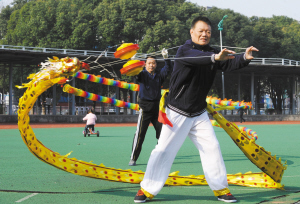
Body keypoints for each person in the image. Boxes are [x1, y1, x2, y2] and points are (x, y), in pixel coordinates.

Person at [133, 16, 259, 203]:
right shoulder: (184, 51)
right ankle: (146, 189)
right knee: (163, 150)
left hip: (199, 113)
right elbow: (198, 59)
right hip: (177, 111)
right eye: (201, 31)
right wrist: (215, 57)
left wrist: (244, 58)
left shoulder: (214, 52)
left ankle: (221, 189)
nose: (204, 34)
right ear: (192, 32)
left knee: (212, 148)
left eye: (208, 31)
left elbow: (228, 63)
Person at [129, 50, 172, 166]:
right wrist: (133, 60)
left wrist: (166, 58)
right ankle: (133, 158)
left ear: (156, 64)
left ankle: (160, 156)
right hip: (145, 109)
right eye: (149, 63)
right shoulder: (142, 74)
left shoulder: (159, 75)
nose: (151, 65)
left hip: (157, 109)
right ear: (145, 64)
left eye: (153, 63)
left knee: (162, 134)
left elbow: (168, 69)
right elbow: (134, 71)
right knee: (140, 134)